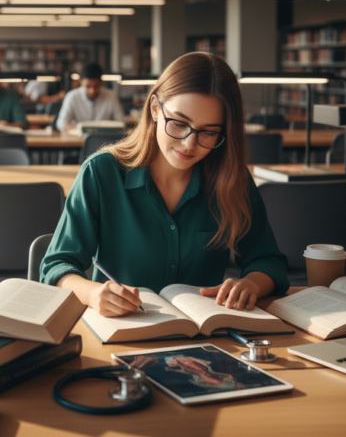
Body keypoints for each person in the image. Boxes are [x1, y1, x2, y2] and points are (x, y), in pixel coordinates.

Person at [40, 52, 289, 317]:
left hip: (208, 337)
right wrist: (92, 294)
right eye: (180, 123)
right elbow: (57, 265)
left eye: (208, 132)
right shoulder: (101, 173)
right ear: (155, 108)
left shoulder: (231, 178)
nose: (189, 144)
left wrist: (251, 283)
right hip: (122, 332)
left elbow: (267, 260)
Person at [55, 63, 125, 131]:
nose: (92, 91)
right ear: (81, 82)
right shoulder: (72, 96)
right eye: (88, 86)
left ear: (101, 82)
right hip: (78, 140)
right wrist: (81, 129)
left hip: (105, 140)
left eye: (96, 86)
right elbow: (61, 124)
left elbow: (122, 123)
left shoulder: (111, 96)